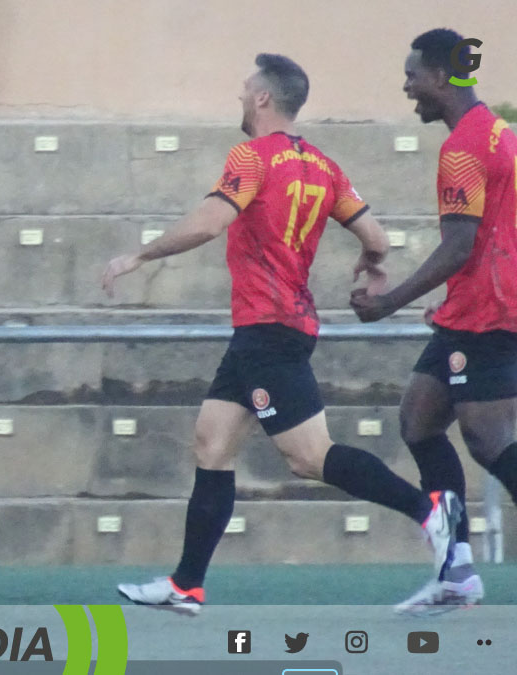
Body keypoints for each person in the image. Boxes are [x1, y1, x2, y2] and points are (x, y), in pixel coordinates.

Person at [104, 53, 460, 615]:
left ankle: (428, 510)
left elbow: (210, 220)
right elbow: (376, 234)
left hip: (269, 329)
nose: (241, 98)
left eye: (246, 90)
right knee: (211, 442)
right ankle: (186, 586)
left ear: (264, 98)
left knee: (308, 457)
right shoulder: (323, 166)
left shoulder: (251, 158)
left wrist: (140, 255)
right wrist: (372, 263)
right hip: (270, 329)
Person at [351, 28, 516, 615]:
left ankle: (458, 571)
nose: (406, 86)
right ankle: (458, 571)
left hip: (487, 314)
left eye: (413, 74)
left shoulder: (465, 146)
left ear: (442, 77)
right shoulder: (499, 130)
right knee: (420, 421)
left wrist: (387, 302)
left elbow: (460, 246)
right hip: (477, 308)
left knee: (488, 440)